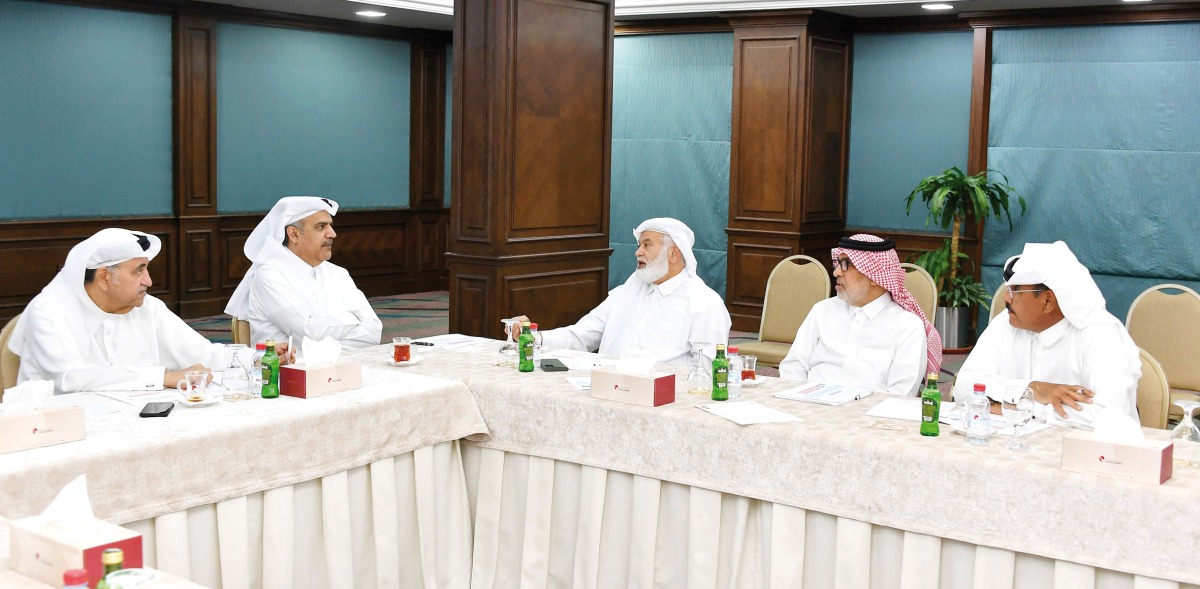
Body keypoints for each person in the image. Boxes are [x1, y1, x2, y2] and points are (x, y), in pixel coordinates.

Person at [7, 228, 282, 393]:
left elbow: (204, 353)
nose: (149, 281)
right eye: (139, 271)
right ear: (104, 277)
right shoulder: (48, 311)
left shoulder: (146, 307)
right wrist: (164, 378)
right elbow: (70, 379)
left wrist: (260, 359)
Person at [954, 241, 1140, 428]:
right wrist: (1032, 388)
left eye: (1015, 291)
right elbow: (964, 388)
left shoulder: (1101, 334)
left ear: (1048, 301)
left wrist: (1023, 409)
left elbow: (1107, 415)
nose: (1006, 298)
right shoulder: (1007, 322)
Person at [514, 218, 730, 366]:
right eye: (639, 245)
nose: (638, 252)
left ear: (673, 254)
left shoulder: (704, 303)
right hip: (607, 391)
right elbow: (582, 335)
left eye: (647, 245)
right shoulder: (626, 292)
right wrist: (533, 338)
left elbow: (707, 370)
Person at [778, 234, 941, 396]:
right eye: (837, 264)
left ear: (874, 276)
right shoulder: (822, 311)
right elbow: (793, 366)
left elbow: (901, 393)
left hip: (868, 417)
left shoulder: (907, 326)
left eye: (846, 265)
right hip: (808, 408)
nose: (836, 273)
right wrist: (802, 400)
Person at [225, 196, 382, 348]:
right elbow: (307, 332)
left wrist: (325, 348)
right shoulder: (270, 276)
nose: (332, 234)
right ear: (294, 234)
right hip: (288, 372)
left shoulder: (338, 273)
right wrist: (353, 320)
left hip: (341, 368)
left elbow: (374, 330)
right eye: (321, 227)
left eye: (330, 226)